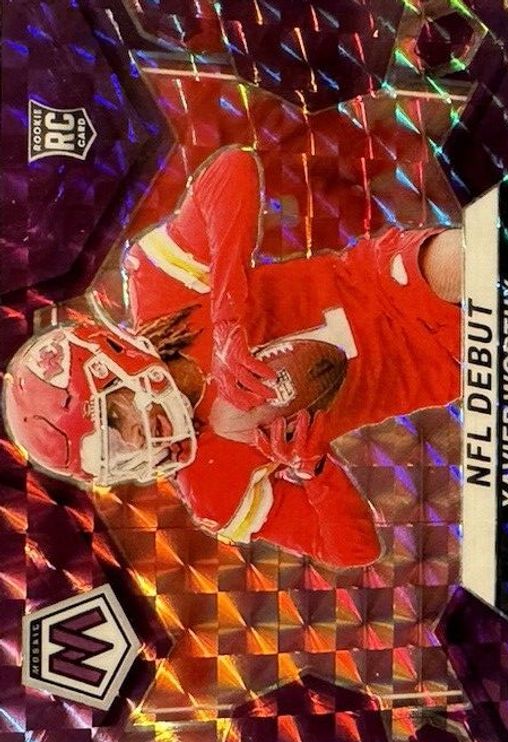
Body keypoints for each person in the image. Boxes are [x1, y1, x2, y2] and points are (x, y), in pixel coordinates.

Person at [4, 146, 462, 568]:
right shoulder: (211, 491)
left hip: (384, 280)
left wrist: (227, 317)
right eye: (116, 451)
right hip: (438, 369)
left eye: (114, 419)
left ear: (111, 357)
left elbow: (233, 167)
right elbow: (353, 550)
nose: (136, 438)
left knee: (467, 263)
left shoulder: (158, 286)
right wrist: (316, 468)